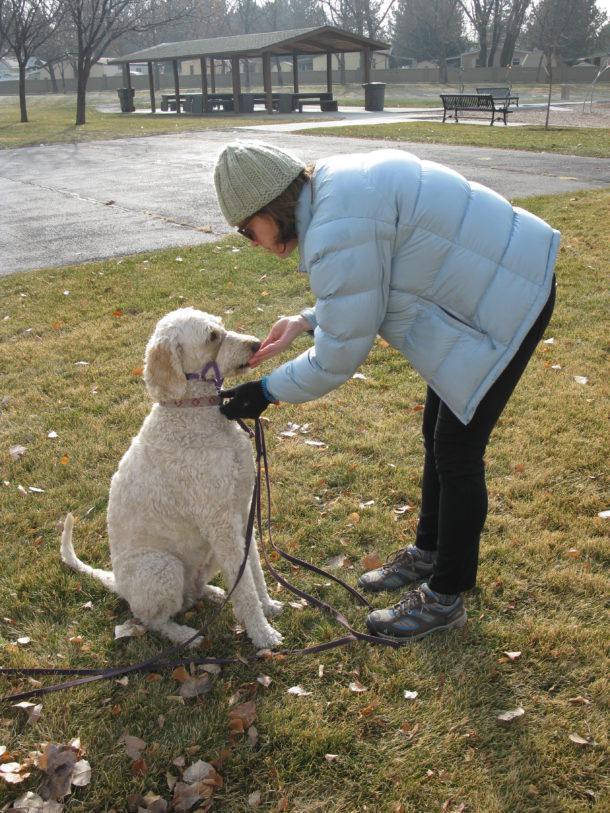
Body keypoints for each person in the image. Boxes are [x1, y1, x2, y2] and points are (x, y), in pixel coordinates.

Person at [213, 140, 558, 642]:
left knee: (457, 453)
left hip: (510, 295)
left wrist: (264, 391)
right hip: (497, 278)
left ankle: (446, 597)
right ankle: (430, 550)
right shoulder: (334, 190)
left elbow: (338, 359)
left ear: (271, 206)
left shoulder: (336, 227)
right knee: (437, 435)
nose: (252, 242)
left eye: (248, 229)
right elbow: (373, 277)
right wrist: (306, 320)